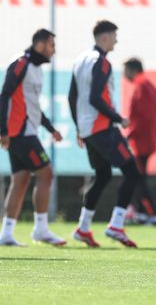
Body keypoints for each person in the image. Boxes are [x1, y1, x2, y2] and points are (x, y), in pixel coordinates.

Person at [69, 20, 141, 248]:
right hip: (102, 128)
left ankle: (83, 227)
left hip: (88, 129)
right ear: (105, 37)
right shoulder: (101, 62)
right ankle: (116, 225)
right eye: (114, 36)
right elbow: (95, 98)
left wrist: (79, 127)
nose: (116, 41)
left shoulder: (80, 60)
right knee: (132, 172)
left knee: (103, 176)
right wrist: (118, 118)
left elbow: (73, 97)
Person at [0, 29, 66, 246]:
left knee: (21, 180)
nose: (53, 50)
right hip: (20, 133)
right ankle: (41, 229)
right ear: (40, 45)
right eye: (51, 45)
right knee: (47, 174)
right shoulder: (21, 63)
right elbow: (4, 95)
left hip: (27, 131)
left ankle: (7, 234)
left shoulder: (37, 70)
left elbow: (33, 107)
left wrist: (50, 128)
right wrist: (3, 130)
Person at [123, 57, 156, 226]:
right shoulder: (147, 86)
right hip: (145, 140)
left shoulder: (142, 87)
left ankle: (154, 214)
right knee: (139, 177)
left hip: (141, 142)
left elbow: (142, 117)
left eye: (126, 71)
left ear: (132, 70)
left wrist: (129, 134)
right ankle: (141, 213)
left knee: (138, 179)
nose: (125, 75)